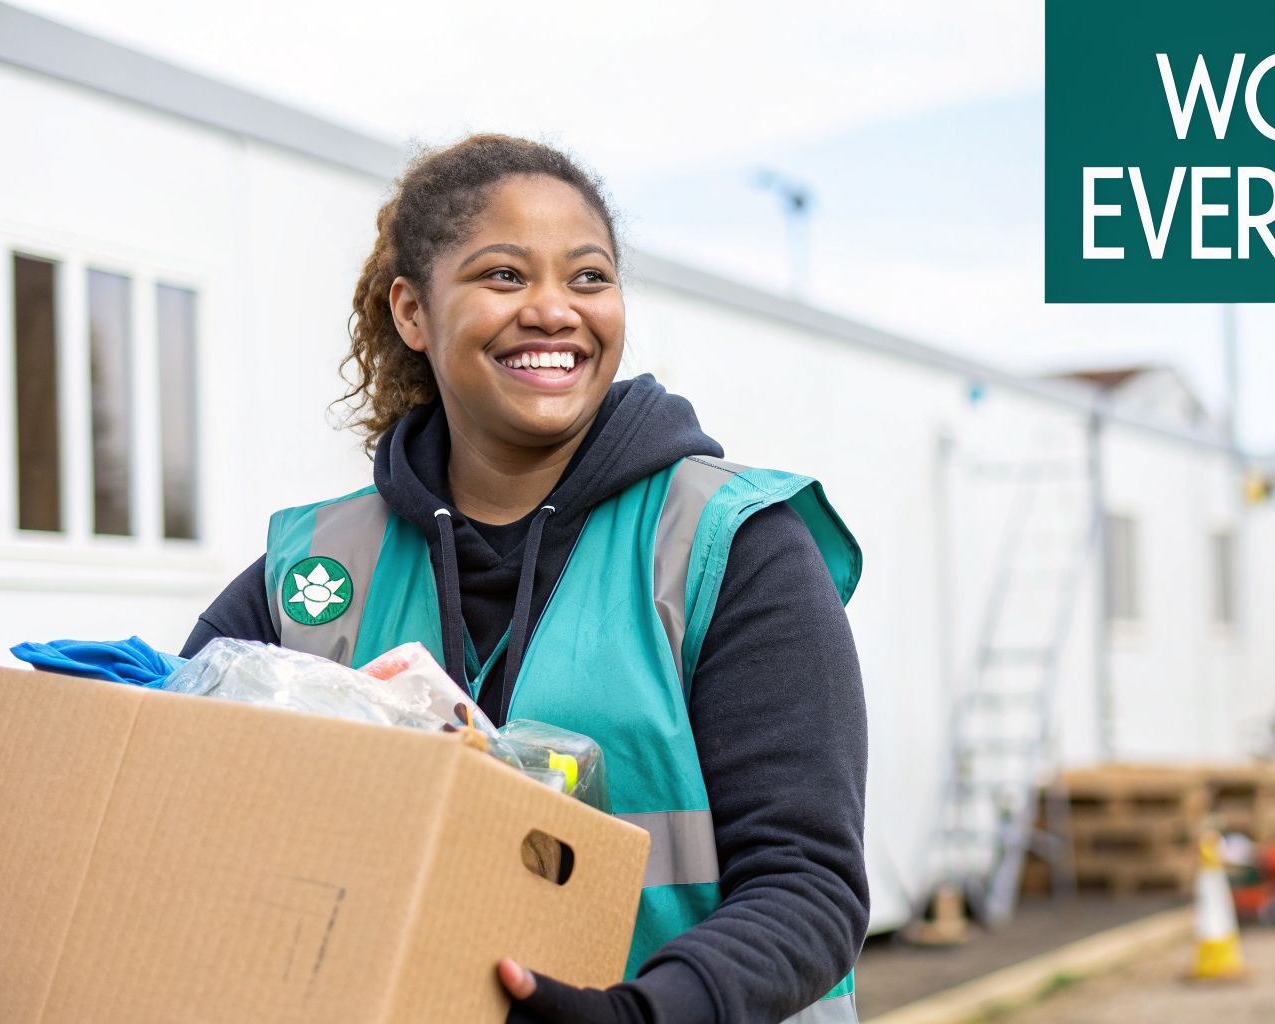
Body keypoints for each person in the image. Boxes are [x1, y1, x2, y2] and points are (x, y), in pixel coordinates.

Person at [181, 135, 868, 1024]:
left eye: (588, 278)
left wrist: (644, 1015)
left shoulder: (729, 546)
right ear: (413, 312)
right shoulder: (316, 574)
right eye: (504, 276)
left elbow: (809, 888)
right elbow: (178, 815)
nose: (554, 310)